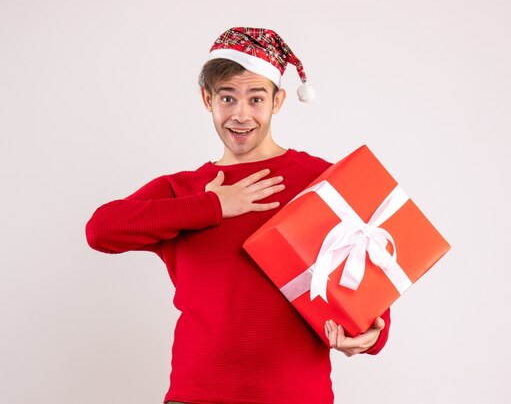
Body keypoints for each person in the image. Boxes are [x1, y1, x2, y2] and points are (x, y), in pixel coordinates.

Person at [85, 26, 391, 404]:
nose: (240, 115)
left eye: (256, 98)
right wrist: (214, 206)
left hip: (296, 395)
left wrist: (374, 332)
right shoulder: (185, 190)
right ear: (207, 99)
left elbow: (368, 270)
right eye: (227, 98)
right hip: (197, 395)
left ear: (278, 100)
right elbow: (101, 230)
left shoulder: (322, 181)